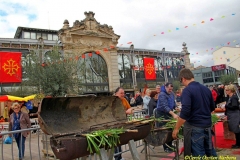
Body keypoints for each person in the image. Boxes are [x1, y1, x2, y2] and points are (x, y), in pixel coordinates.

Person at [172, 68, 217, 157]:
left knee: (198, 154)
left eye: (181, 81)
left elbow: (185, 112)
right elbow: (212, 107)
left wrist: (176, 128)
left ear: (183, 78)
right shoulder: (206, 89)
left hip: (195, 127)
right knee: (210, 153)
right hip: (207, 125)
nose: (182, 83)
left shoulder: (187, 90)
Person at [156, 82, 178, 153]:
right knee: (164, 131)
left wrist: (176, 107)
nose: (170, 90)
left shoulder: (171, 94)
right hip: (162, 114)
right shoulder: (162, 94)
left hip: (169, 113)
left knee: (170, 129)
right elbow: (164, 107)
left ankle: (170, 145)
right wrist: (173, 114)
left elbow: (173, 102)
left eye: (171, 89)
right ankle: (166, 147)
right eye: (169, 89)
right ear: (165, 87)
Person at [114, 87, 133, 160]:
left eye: (123, 93)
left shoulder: (124, 100)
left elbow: (130, 108)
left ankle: (120, 157)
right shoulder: (113, 101)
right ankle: (117, 157)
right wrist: (125, 112)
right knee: (116, 141)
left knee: (120, 140)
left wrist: (130, 110)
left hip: (123, 122)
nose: (123, 94)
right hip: (115, 124)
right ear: (116, 93)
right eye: (121, 93)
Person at [224, 84, 240, 148]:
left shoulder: (234, 97)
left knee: (237, 130)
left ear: (231, 90)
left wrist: (226, 106)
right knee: (235, 130)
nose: (226, 91)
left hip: (235, 115)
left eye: (227, 90)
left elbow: (235, 106)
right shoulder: (231, 97)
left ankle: (238, 144)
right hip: (232, 115)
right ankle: (237, 143)